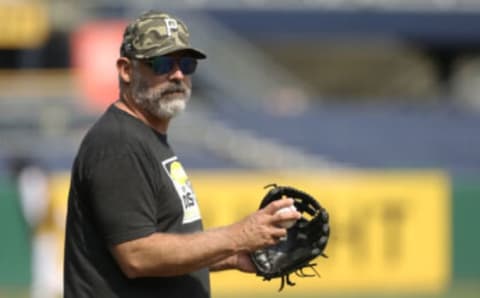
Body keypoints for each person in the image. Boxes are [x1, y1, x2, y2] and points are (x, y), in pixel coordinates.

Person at [63, 10, 301, 298]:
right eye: (161, 63)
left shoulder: (146, 136)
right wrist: (238, 236)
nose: (177, 75)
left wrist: (233, 255)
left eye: (186, 64)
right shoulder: (118, 143)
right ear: (126, 70)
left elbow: (166, 240)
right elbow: (137, 255)